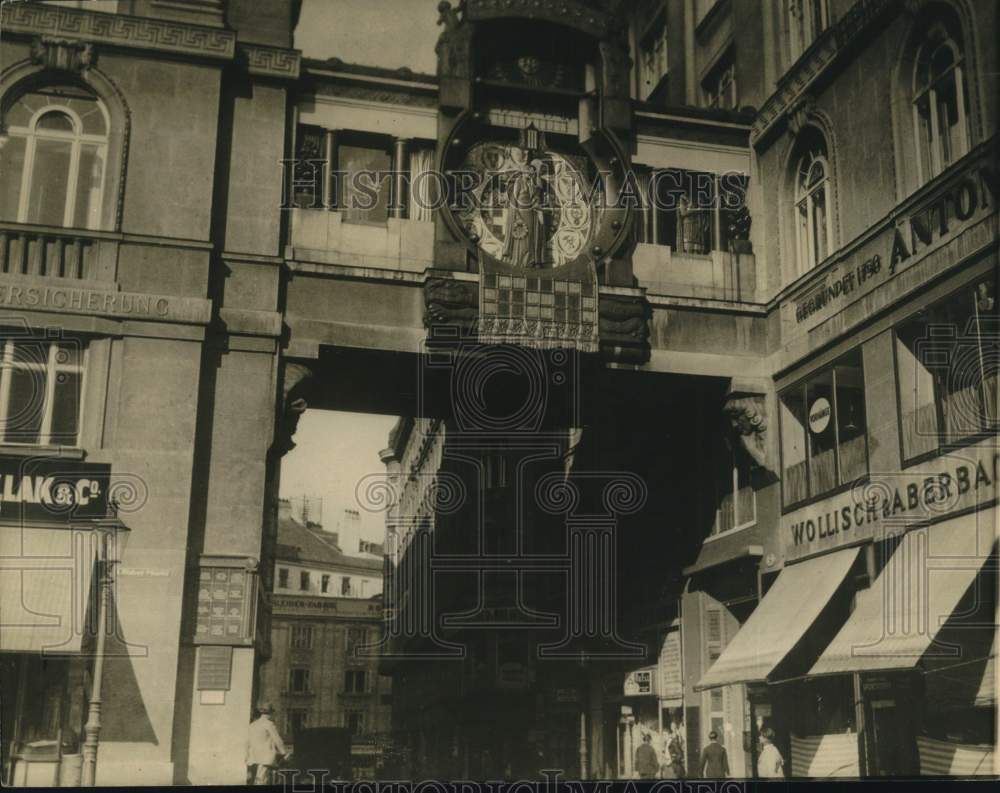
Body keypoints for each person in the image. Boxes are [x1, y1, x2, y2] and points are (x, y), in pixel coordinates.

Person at [246, 704, 288, 785]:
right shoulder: (269, 724)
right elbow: (277, 740)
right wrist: (284, 753)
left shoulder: (252, 725)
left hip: (253, 758)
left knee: (253, 781)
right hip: (265, 758)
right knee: (262, 781)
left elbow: (248, 741)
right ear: (270, 713)